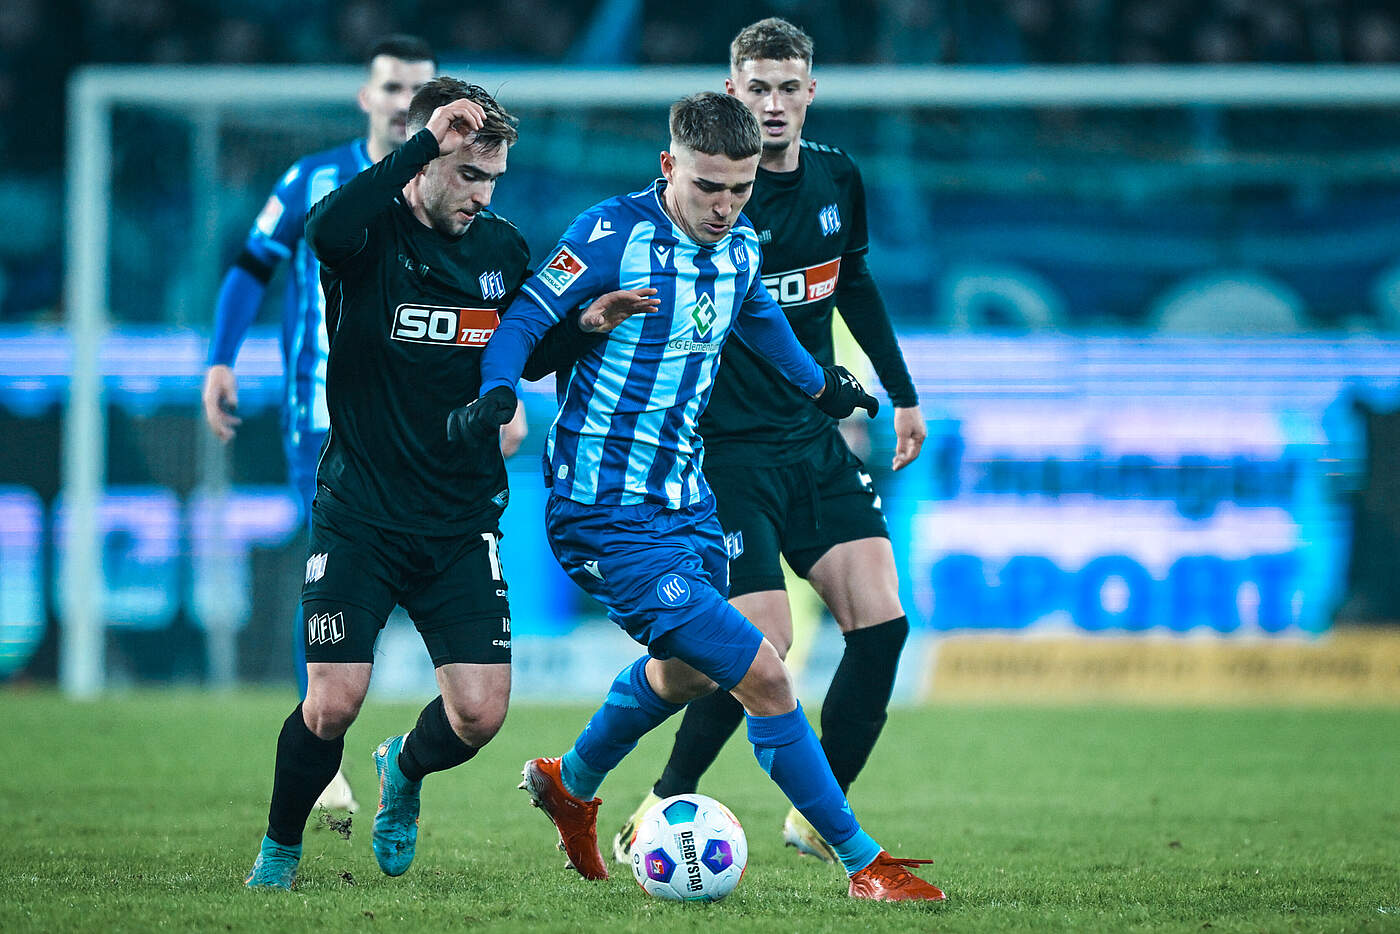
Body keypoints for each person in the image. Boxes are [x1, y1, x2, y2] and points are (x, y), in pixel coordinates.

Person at [462, 91, 946, 902]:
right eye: (708, 187)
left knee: (691, 673)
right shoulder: (608, 235)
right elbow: (521, 322)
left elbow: (761, 321)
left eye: (740, 189)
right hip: (603, 514)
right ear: (669, 166)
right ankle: (865, 864)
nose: (725, 207)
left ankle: (570, 782)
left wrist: (821, 386)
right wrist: (501, 394)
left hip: (688, 506)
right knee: (767, 675)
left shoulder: (741, 247)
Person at [242, 77, 655, 891]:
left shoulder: (499, 249)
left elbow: (522, 353)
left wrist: (583, 327)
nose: (482, 194)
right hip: (361, 513)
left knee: (480, 714)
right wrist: (425, 141)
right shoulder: (368, 235)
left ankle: (402, 769)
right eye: (468, 173)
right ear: (424, 157)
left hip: (461, 517)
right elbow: (322, 230)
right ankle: (280, 851)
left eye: (493, 178)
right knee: (332, 702)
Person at [611, 16, 929, 867]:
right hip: (723, 453)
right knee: (760, 647)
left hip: (812, 441)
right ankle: (662, 801)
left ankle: (818, 819)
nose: (775, 103)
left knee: (882, 626)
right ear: (732, 90)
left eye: (789, 87)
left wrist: (901, 393)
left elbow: (853, 281)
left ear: (811, 92)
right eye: (759, 88)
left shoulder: (836, 176)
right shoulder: (706, 202)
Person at [202, 35, 450, 814]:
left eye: (419, 90)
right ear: (366, 98)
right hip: (321, 419)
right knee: (328, 574)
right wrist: (220, 359)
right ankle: (323, 753)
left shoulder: (447, 182)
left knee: (411, 571)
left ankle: (395, 734)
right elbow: (253, 265)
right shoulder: (313, 179)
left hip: (416, 423)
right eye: (392, 87)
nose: (404, 102)